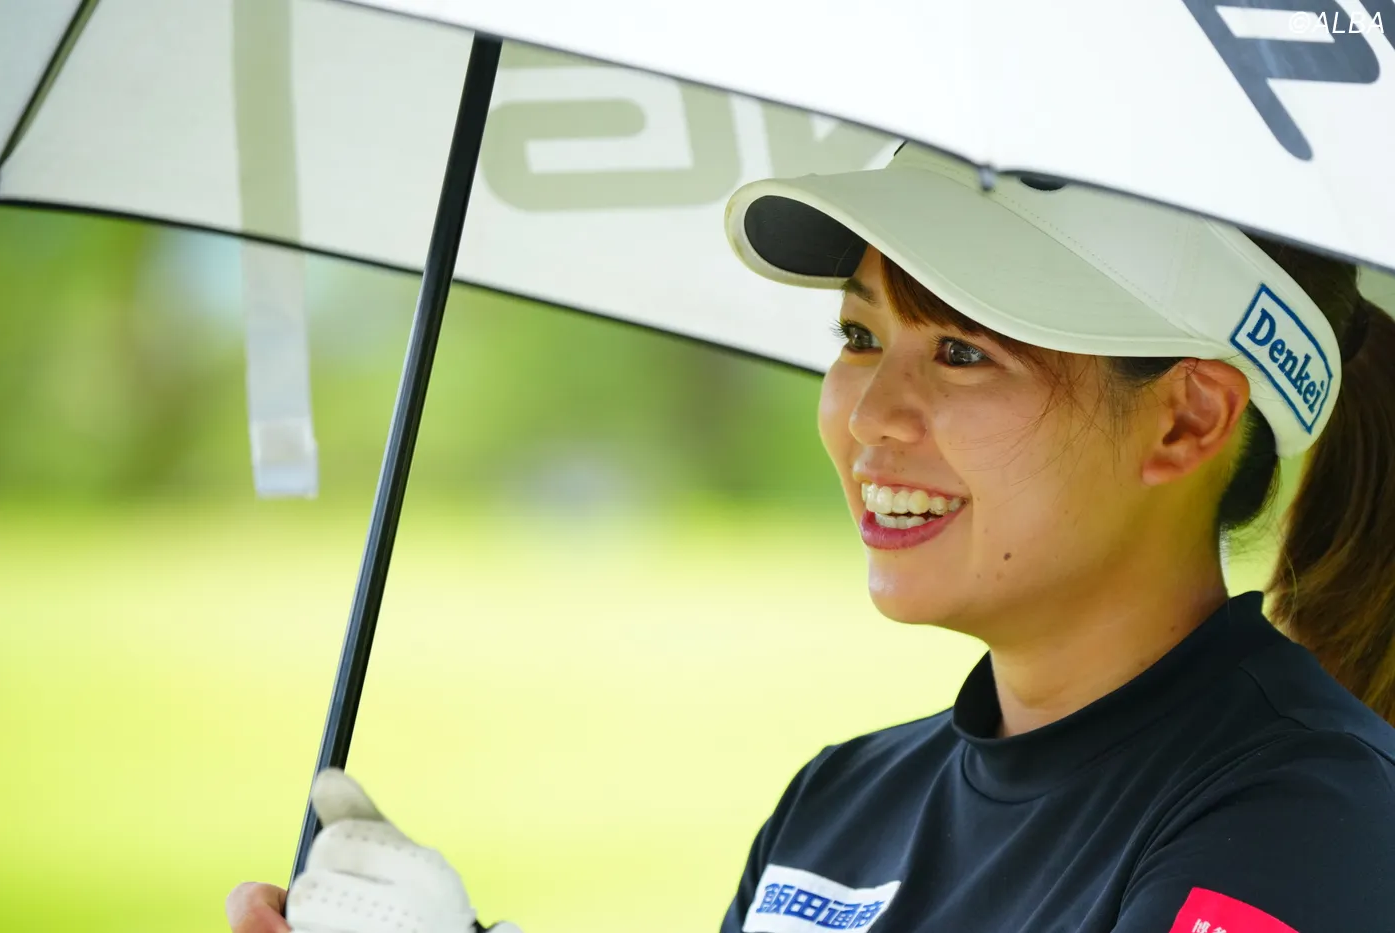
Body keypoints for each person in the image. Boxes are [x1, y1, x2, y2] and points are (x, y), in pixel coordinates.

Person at [227, 143, 1395, 933]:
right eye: (857, 334)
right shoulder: (838, 804)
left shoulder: (1311, 822)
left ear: (1185, 419)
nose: (868, 415)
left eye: (961, 352)